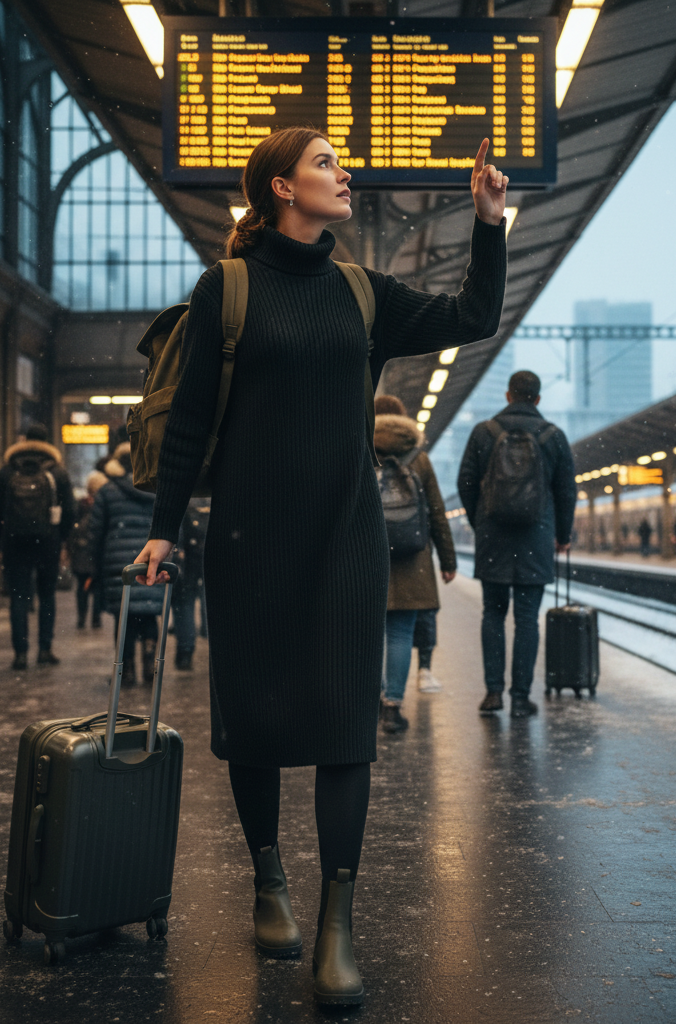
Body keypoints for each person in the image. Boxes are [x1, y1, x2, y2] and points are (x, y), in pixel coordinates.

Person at [135, 127, 507, 1005]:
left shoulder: (362, 292)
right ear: (280, 190)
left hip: (346, 542)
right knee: (256, 721)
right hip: (249, 538)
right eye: (326, 163)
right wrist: (161, 529)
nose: (344, 175)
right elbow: (188, 423)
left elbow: (472, 317)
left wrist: (489, 223)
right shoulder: (226, 288)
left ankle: (336, 924)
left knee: (346, 730)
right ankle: (269, 881)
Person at [458, 370, 576, 718]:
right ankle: (521, 698)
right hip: (536, 537)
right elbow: (566, 490)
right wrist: (563, 535)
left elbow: (465, 481)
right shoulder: (553, 436)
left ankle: (493, 693)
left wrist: (480, 519)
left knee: (493, 614)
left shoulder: (484, 432)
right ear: (537, 399)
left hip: (493, 536)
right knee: (527, 619)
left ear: (509, 395)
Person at [374, 395, 457, 733]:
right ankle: (392, 707)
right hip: (412, 556)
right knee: (400, 634)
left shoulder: (359, 448)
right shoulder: (418, 457)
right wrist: (448, 559)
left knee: (368, 635)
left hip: (369, 555)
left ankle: (370, 704)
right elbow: (436, 511)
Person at [88, 443, 165, 687]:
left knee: (125, 620)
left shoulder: (108, 491)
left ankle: (126, 671)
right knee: (150, 614)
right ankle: (150, 669)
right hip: (151, 562)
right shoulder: (159, 490)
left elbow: (95, 533)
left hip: (119, 566)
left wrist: (94, 565)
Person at [0, 423, 75, 670]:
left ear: (23, 441)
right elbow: (70, 512)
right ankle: (45, 649)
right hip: (48, 542)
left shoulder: (7, 471)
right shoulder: (57, 472)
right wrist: (61, 538)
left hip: (14, 542)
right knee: (47, 596)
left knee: (19, 598)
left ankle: (20, 654)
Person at [172, 498, 210, 670]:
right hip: (208, 556)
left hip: (187, 560)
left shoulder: (184, 500)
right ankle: (208, 637)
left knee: (184, 605)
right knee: (207, 600)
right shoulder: (213, 495)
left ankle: (185, 652)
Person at [70, 470, 108, 628]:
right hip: (98, 550)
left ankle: (81, 617)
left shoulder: (82, 504)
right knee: (98, 587)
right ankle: (96, 618)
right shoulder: (104, 503)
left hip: (82, 551)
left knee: (81, 586)